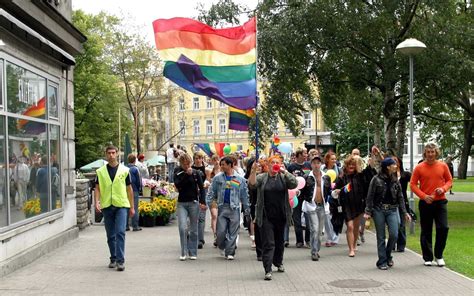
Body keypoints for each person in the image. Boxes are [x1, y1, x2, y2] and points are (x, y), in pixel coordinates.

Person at [249, 155, 297, 280]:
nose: (275, 164)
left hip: (281, 215)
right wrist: (253, 170)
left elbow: (294, 183)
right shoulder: (262, 177)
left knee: (279, 242)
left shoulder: (283, 177)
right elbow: (252, 184)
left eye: (278, 162)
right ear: (268, 165)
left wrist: (284, 171)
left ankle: (278, 262)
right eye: (273, 163)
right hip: (265, 216)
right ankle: (268, 269)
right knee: (269, 243)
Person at [410, 143, 452, 267]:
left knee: (443, 228)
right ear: (425, 153)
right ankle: (427, 257)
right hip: (425, 202)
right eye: (428, 152)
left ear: (436, 153)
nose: (430, 154)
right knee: (426, 230)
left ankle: (439, 255)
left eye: (432, 152)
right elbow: (412, 184)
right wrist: (423, 196)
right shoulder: (419, 167)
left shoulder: (443, 166)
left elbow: (449, 180)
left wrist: (443, 189)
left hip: (440, 201)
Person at [364, 157, 411, 270]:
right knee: (381, 237)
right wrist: (368, 212)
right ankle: (382, 261)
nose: (396, 166)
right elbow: (370, 196)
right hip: (379, 209)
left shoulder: (395, 180)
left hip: (393, 210)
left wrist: (405, 212)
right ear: (387, 167)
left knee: (394, 234)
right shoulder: (376, 179)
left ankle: (388, 254)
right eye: (393, 164)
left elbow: (400, 197)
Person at [94, 145, 135, 271]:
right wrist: (96, 202)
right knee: (110, 234)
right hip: (107, 205)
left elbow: (129, 189)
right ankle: (113, 257)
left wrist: (132, 207)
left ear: (117, 154)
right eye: (109, 153)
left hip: (121, 205)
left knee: (120, 232)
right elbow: (97, 187)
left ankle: (120, 261)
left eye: (113, 153)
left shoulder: (124, 170)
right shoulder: (100, 171)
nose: (111, 155)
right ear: (106, 155)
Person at [207, 156, 249, 261]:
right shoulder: (218, 178)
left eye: (223, 164)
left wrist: (247, 208)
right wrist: (210, 203)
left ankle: (230, 252)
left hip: (234, 208)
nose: (221, 166)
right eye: (221, 164)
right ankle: (222, 245)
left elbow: (244, 195)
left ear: (230, 165)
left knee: (233, 232)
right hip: (222, 207)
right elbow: (212, 192)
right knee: (220, 232)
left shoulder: (240, 179)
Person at [332, 155, 375, 257]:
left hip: (358, 205)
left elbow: (370, 170)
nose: (351, 166)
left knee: (356, 227)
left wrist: (373, 157)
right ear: (346, 166)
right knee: (350, 227)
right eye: (349, 164)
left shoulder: (360, 176)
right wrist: (337, 191)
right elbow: (334, 192)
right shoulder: (341, 178)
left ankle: (354, 243)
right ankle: (351, 249)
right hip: (346, 206)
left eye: (353, 164)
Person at [173, 153, 207, 261]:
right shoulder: (178, 172)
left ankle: (192, 252)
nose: (187, 166)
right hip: (182, 203)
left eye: (188, 164)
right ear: (181, 164)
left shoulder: (196, 173)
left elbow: (201, 188)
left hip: (193, 203)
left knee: (193, 229)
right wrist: (186, 175)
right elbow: (178, 185)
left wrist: (203, 202)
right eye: (185, 164)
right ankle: (183, 251)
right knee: (183, 227)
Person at [301, 156, 327, 261]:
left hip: (322, 206)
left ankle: (316, 249)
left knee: (320, 231)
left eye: (318, 163)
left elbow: (328, 191)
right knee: (314, 229)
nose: (316, 165)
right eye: (314, 163)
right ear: (311, 164)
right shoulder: (307, 177)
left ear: (321, 164)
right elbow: (302, 191)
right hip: (311, 206)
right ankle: (314, 252)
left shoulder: (326, 177)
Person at [287, 148, 311, 248]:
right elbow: (288, 180)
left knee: (309, 218)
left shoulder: (309, 165)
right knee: (296, 218)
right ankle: (299, 240)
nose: (306, 155)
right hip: (296, 196)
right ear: (299, 155)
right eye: (305, 153)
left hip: (307, 196)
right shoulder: (291, 167)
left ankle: (308, 240)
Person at [320, 151, 340, 247]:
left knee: (334, 218)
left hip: (335, 197)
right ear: (327, 159)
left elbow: (340, 182)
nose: (334, 161)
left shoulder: (338, 170)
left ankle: (335, 238)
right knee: (326, 218)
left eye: (335, 159)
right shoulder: (322, 169)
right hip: (325, 196)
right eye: (332, 159)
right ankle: (329, 237)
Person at [392, 156, 412, 252]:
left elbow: (415, 180)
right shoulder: (390, 175)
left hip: (403, 201)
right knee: (393, 224)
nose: (394, 163)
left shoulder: (405, 175)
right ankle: (392, 244)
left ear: (399, 163)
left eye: (395, 161)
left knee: (401, 224)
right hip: (391, 202)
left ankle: (401, 245)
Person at [192, 152, 208, 249]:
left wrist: (207, 183)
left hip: (203, 193)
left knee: (201, 217)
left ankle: (200, 239)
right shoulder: (190, 168)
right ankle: (193, 237)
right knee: (193, 218)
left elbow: (210, 179)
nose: (198, 160)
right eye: (196, 158)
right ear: (194, 159)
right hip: (193, 194)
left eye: (200, 158)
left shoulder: (206, 169)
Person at [206, 154, 221, 247]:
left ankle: (220, 234)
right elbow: (207, 182)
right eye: (214, 160)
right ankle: (216, 235)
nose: (216, 161)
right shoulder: (209, 171)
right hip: (213, 197)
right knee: (214, 215)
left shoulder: (224, 171)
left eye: (217, 159)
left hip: (222, 197)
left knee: (220, 217)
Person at [126, 153, 142, 232]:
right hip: (134, 189)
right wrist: (139, 189)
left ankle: (126, 226)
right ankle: (135, 226)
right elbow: (138, 181)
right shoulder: (136, 169)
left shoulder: (124, 168)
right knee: (134, 208)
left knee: (126, 208)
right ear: (135, 160)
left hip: (125, 190)